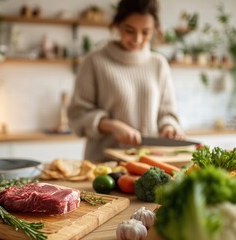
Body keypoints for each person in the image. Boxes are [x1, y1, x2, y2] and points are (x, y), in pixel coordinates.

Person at [68, 0, 184, 161]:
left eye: (145, 32)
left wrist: (169, 126)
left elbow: (167, 113)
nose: (137, 39)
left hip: (150, 164)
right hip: (102, 166)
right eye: (130, 30)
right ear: (117, 25)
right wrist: (112, 125)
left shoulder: (159, 64)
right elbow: (77, 115)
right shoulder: (94, 61)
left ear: (154, 30)